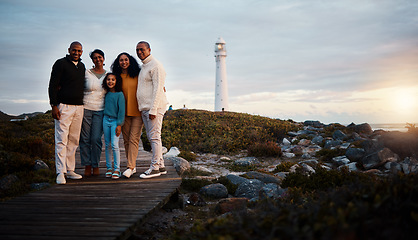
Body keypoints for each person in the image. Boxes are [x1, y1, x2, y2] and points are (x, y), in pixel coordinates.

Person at [48, 41, 85, 184]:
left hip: (79, 107)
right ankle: (60, 172)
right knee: (61, 140)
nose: (76, 53)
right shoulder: (60, 63)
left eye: (79, 51)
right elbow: (52, 85)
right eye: (74, 50)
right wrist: (54, 105)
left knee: (74, 140)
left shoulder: (81, 66)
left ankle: (70, 170)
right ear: (69, 50)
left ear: (82, 52)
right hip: (63, 106)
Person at [136, 41, 169, 179]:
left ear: (149, 49)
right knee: (152, 137)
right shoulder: (144, 66)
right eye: (137, 50)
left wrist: (153, 109)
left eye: (142, 49)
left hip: (154, 108)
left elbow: (158, 89)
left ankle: (154, 168)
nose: (139, 52)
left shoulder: (156, 65)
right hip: (145, 107)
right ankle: (160, 165)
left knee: (155, 137)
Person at [111, 52, 143, 178]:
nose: (123, 62)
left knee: (134, 139)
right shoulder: (117, 77)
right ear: (118, 62)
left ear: (130, 61)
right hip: (123, 112)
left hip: (137, 112)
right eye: (121, 60)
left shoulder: (138, 74)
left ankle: (130, 167)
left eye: (126, 60)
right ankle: (133, 166)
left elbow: (149, 82)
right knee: (126, 141)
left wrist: (161, 86)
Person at [79, 49, 107, 177]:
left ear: (103, 59)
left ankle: (95, 164)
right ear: (92, 60)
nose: (98, 59)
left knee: (95, 139)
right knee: (85, 139)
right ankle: (87, 165)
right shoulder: (86, 73)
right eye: (95, 58)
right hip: (85, 108)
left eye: (100, 57)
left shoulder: (108, 75)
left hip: (100, 110)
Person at [102, 73, 125, 179]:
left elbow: (121, 111)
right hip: (106, 120)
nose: (110, 81)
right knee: (107, 145)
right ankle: (109, 168)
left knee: (115, 145)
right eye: (108, 79)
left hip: (115, 121)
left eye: (113, 80)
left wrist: (119, 125)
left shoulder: (120, 94)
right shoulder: (106, 94)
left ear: (116, 82)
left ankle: (117, 169)